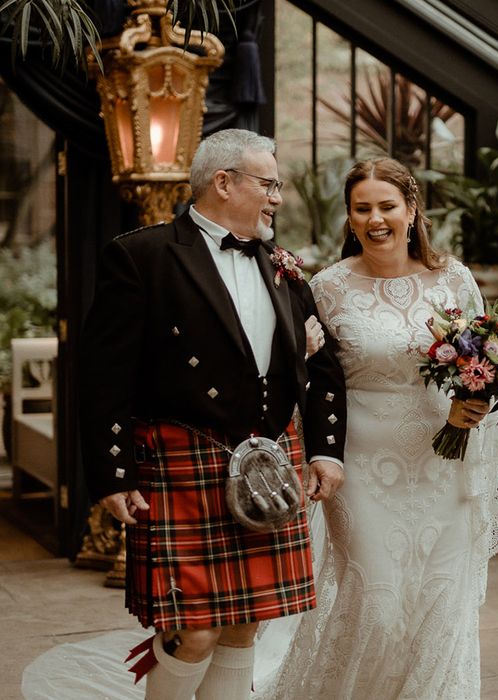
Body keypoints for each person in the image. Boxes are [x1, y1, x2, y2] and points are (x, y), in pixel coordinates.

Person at [78, 128, 346, 700]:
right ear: (224, 183)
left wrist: (324, 448)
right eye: (268, 184)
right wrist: (113, 473)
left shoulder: (283, 263)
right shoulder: (141, 256)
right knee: (193, 631)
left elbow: (322, 370)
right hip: (184, 455)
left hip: (268, 461)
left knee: (247, 622)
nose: (277, 197)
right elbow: (105, 376)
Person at [254, 157, 498, 699]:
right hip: (362, 466)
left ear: (412, 210)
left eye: (387, 206)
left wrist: (477, 407)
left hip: (444, 461)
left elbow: (488, 365)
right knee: (378, 600)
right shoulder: (327, 287)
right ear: (349, 218)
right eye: (362, 208)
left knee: (439, 599)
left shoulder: (454, 279)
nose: (376, 219)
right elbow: (310, 380)